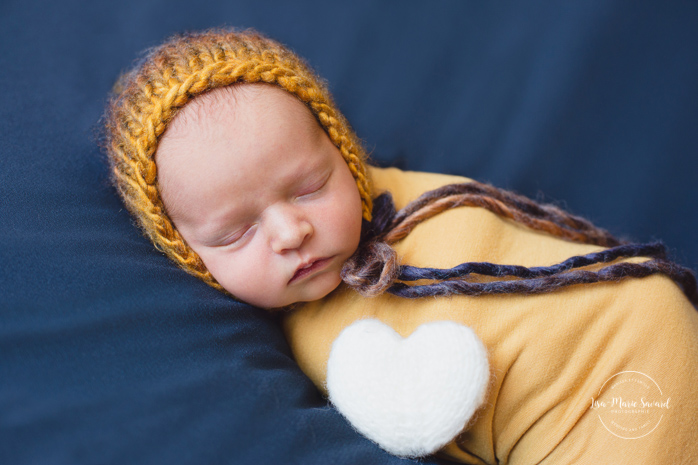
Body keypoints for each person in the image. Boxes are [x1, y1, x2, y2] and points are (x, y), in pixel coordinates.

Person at [104, 28, 698, 464]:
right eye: (236, 233)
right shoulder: (319, 345)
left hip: (636, 328)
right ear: (186, 254)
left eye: (310, 188)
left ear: (345, 154)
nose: (291, 234)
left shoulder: (412, 200)